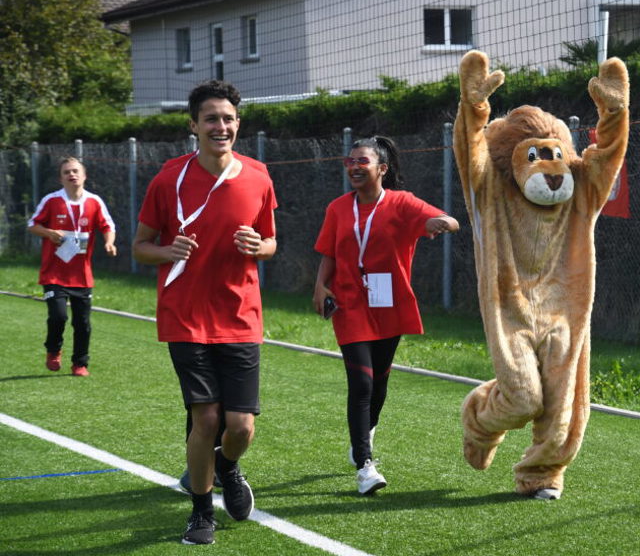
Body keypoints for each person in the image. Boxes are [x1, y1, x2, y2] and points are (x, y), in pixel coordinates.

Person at [132, 79, 277, 545]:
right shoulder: (168, 179)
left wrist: (261, 246)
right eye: (211, 118)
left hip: (240, 317)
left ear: (239, 124)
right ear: (193, 125)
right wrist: (168, 250)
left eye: (229, 118)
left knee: (241, 426)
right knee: (206, 419)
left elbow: (271, 240)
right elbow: (139, 248)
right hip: (186, 315)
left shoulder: (258, 176)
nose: (221, 126)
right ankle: (200, 513)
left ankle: (228, 469)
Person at [312, 135, 458, 495]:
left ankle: (364, 433)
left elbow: (448, 220)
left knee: (379, 383)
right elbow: (329, 252)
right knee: (361, 383)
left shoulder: (402, 203)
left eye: (363, 162)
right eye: (351, 162)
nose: (355, 168)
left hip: (387, 301)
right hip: (349, 303)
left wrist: (441, 223)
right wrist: (320, 286)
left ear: (382, 168)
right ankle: (364, 465)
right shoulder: (337, 208)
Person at [28, 156, 117, 377]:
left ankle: (80, 363)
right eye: (67, 172)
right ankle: (53, 349)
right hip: (54, 274)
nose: (72, 175)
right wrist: (49, 232)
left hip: (81, 276)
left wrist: (109, 242)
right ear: (61, 178)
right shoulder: (52, 200)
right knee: (58, 316)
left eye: (76, 171)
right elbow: (32, 224)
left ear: (84, 176)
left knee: (83, 323)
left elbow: (108, 225)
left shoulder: (94, 202)